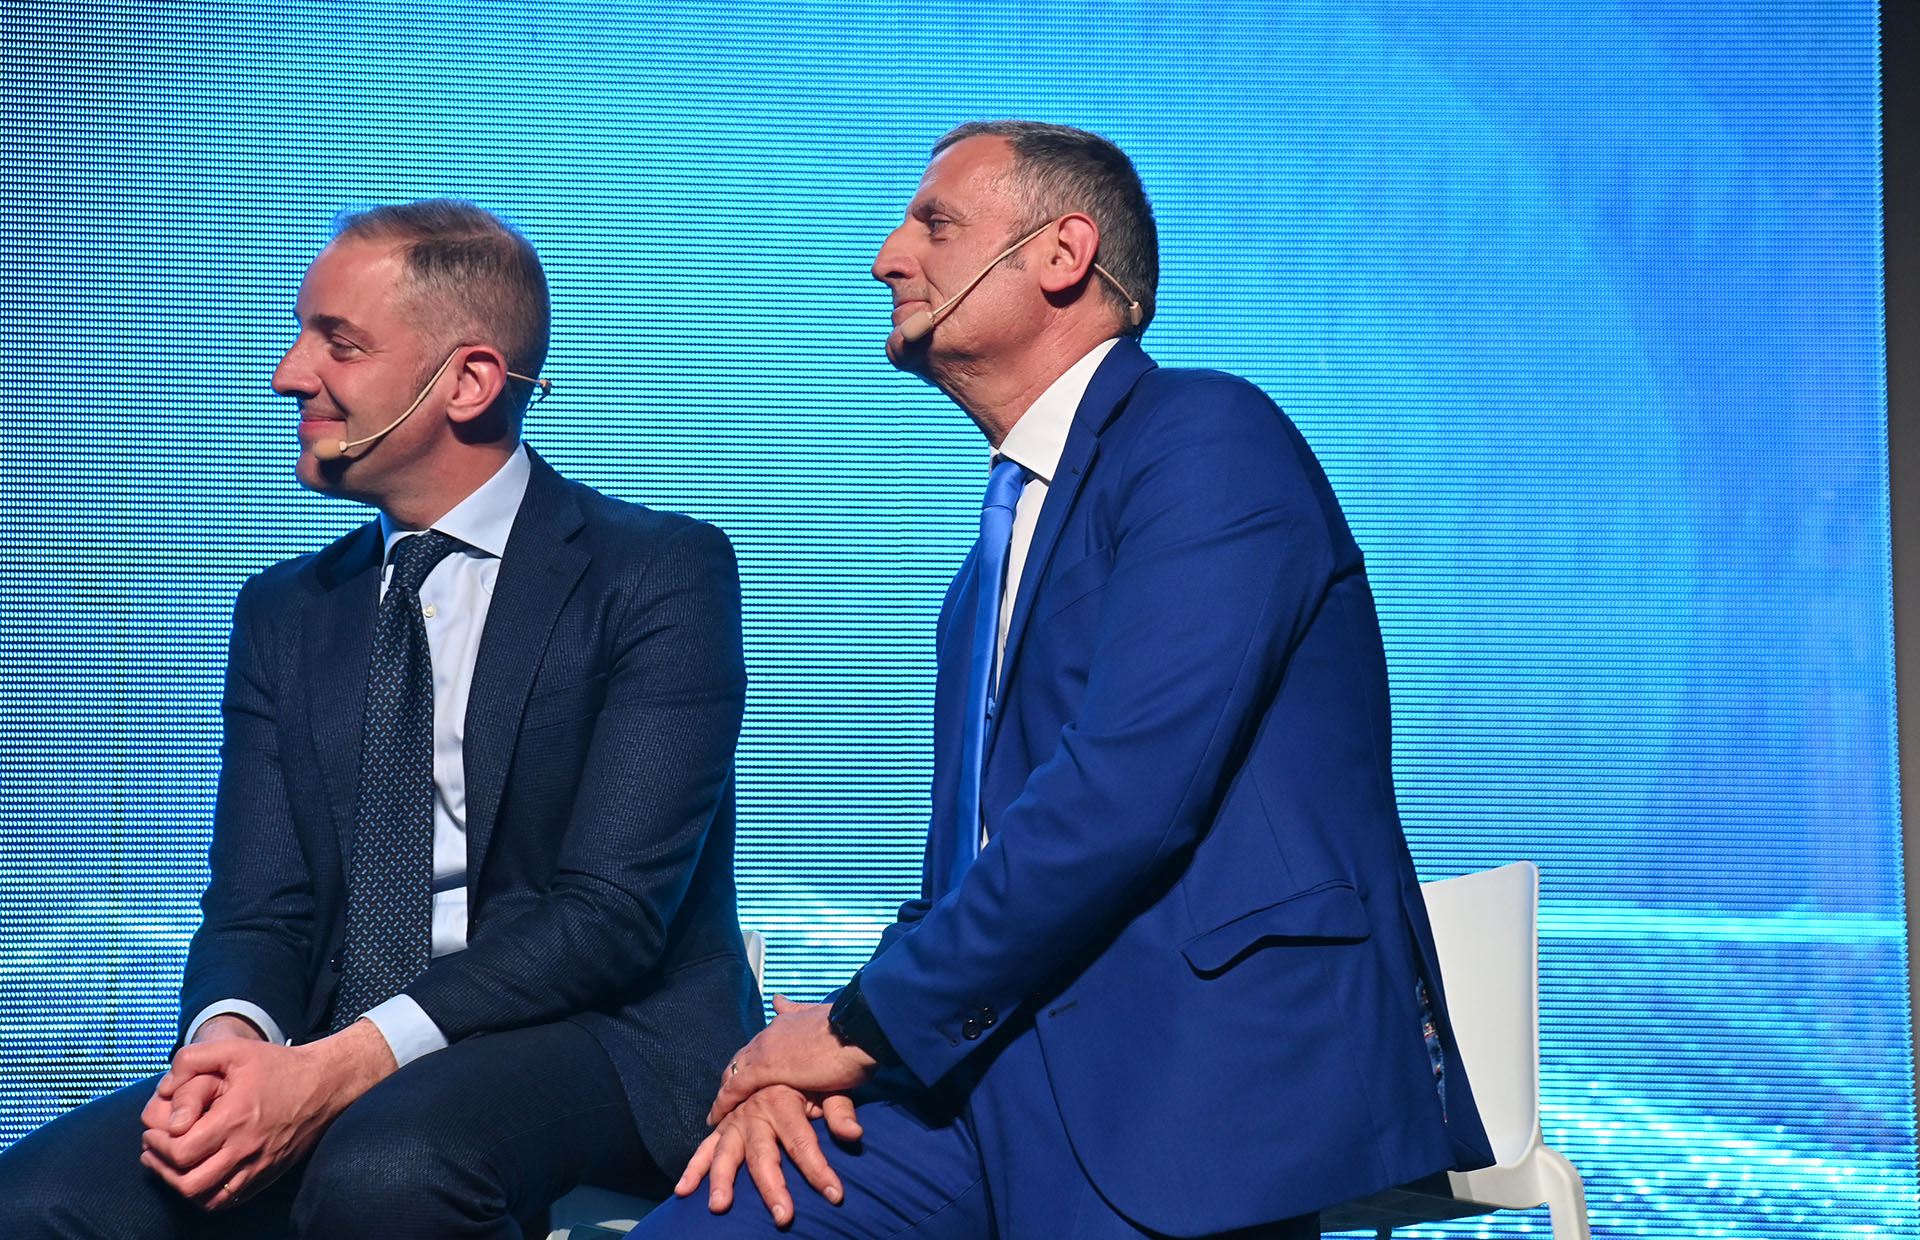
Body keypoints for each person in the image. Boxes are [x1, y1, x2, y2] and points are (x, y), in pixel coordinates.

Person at [641, 122, 1496, 1240]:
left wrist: (850, 1030)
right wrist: (806, 1060)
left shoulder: (1208, 437)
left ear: (1062, 253)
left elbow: (1123, 798)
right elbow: (965, 867)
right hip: (969, 1082)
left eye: (936, 224)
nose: (888, 258)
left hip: (1183, 1089)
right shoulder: (983, 570)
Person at [0, 199, 762, 1238]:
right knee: (37, 1200)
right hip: (329, 1034)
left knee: (386, 1166)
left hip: (599, 1030)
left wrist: (340, 1066)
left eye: (339, 343)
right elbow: (260, 906)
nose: (289, 374)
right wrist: (230, 1042)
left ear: (469, 382)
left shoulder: (658, 573)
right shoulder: (285, 609)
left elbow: (609, 916)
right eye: (300, 334)